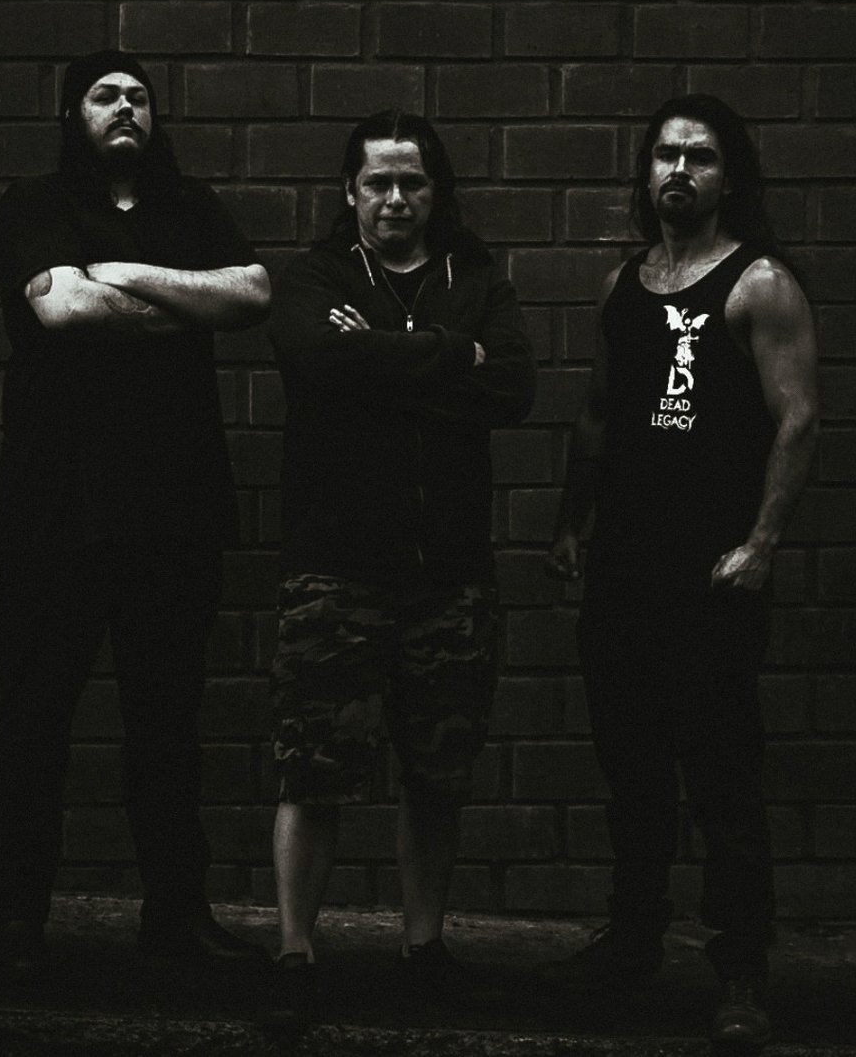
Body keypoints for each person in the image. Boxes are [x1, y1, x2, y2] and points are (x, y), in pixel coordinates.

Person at [0, 51, 271, 975]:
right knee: (36, 719)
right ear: (74, 114)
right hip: (56, 507)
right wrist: (183, 300)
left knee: (168, 727)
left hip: (173, 510)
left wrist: (121, 269)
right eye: (105, 96)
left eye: (139, 98)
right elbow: (64, 310)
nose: (125, 109)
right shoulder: (33, 203)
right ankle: (17, 924)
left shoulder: (192, 205)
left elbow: (253, 293)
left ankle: (176, 917)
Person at [546, 95, 818, 1048]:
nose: (678, 171)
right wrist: (572, 524)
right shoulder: (624, 284)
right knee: (632, 772)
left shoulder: (759, 283)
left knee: (721, 777)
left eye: (699, 157)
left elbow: (798, 421)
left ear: (727, 178)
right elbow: (597, 414)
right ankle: (632, 942)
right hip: (625, 571)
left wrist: (761, 544)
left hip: (711, 578)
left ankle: (740, 967)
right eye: (665, 154)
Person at [266, 111, 536, 1024]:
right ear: (350, 192)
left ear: (436, 192)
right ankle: (295, 953)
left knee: (437, 776)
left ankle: (424, 947)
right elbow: (317, 363)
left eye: (411, 183)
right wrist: (449, 355)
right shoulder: (316, 278)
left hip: (448, 576)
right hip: (335, 570)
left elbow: (512, 387)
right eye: (377, 182)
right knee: (314, 773)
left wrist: (377, 355)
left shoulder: (477, 280)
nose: (394, 199)